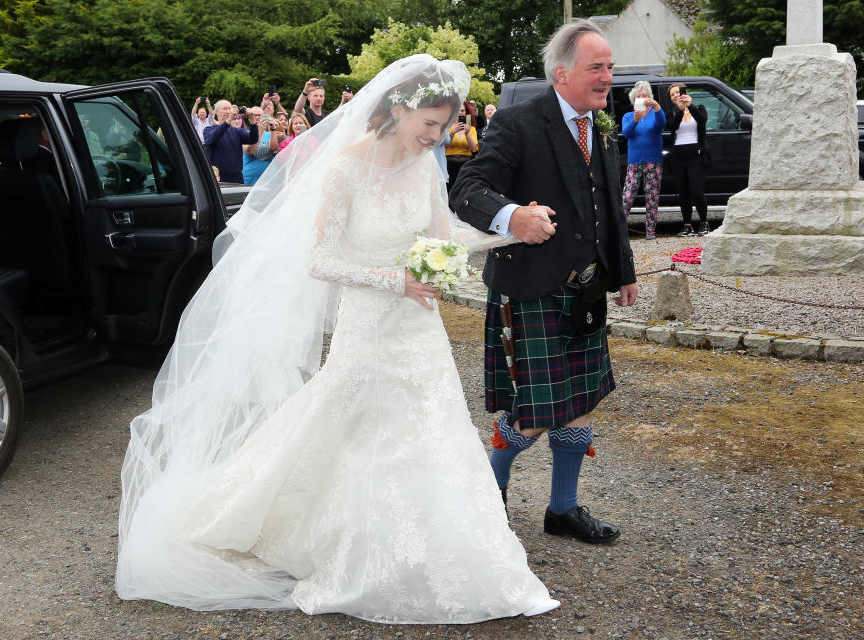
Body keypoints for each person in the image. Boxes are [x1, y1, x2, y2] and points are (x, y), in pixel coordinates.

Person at [115, 54, 560, 622]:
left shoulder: (426, 168)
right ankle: (322, 538)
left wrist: (512, 229)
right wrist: (394, 279)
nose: (436, 137)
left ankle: (447, 549)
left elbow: (445, 236)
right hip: (368, 322)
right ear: (399, 108)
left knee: (433, 429)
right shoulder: (345, 168)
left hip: (417, 327)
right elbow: (320, 260)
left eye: (443, 127)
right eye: (429, 125)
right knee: (346, 425)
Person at [450, 19, 637, 544]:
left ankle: (562, 509)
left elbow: (608, 208)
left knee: (582, 401)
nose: (607, 77)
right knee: (534, 411)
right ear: (561, 73)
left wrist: (623, 271)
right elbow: (467, 188)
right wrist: (512, 217)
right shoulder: (517, 122)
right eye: (595, 67)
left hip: (587, 290)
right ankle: (489, 489)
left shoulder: (598, 125)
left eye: (610, 67)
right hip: (531, 286)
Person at [620, 80, 666, 240]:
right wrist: (635, 120)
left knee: (652, 197)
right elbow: (626, 134)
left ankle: (650, 232)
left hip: (653, 161)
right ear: (634, 99)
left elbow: (663, 123)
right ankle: (620, 231)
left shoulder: (655, 113)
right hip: (634, 161)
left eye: (645, 95)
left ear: (649, 97)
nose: (642, 98)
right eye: (639, 96)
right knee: (627, 196)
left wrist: (656, 106)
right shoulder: (628, 116)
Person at [666, 82, 710, 237]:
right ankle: (687, 225)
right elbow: (671, 126)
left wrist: (689, 106)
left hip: (695, 156)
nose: (675, 95)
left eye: (677, 92)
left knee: (697, 191)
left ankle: (704, 222)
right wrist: (680, 110)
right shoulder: (672, 113)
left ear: (685, 92)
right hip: (678, 156)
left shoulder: (698, 108)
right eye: (672, 95)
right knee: (683, 192)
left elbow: (703, 121)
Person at [204, 100, 259, 184]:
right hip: (216, 177)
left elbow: (253, 139)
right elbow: (211, 139)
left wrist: (252, 119)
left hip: (236, 177)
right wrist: (229, 119)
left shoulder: (237, 131)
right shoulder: (209, 129)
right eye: (225, 109)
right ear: (216, 112)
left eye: (229, 108)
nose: (228, 111)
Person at [444, 102, 478, 190]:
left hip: (465, 165)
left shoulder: (471, 129)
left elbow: (474, 148)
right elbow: (445, 146)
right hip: (449, 164)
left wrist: (467, 134)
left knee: (463, 189)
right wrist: (452, 133)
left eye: (462, 110)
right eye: (457, 110)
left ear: (466, 112)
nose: (459, 113)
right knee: (449, 189)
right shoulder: (448, 127)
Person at [242, 112, 281, 185]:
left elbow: (274, 148)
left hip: (269, 178)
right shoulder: (245, 134)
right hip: (250, 177)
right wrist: (259, 131)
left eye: (259, 115)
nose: (257, 118)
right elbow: (249, 150)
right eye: (254, 116)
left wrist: (273, 129)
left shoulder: (270, 134)